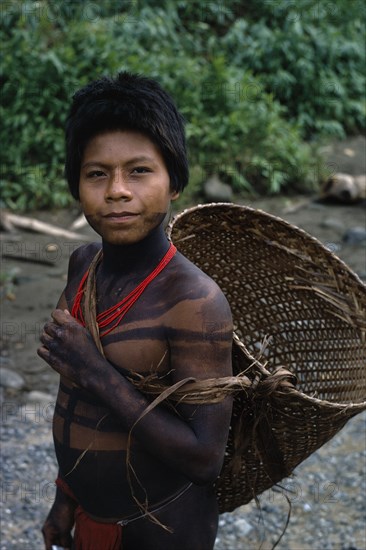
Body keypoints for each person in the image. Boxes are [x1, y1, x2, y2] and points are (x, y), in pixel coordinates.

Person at [37, 71, 233, 550]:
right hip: (91, 514)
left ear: (175, 184)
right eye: (96, 173)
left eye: (139, 171)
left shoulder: (193, 301)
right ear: (76, 184)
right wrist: (66, 499)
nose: (117, 190)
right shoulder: (84, 264)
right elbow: (74, 398)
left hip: (161, 529)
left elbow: (205, 458)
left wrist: (97, 372)